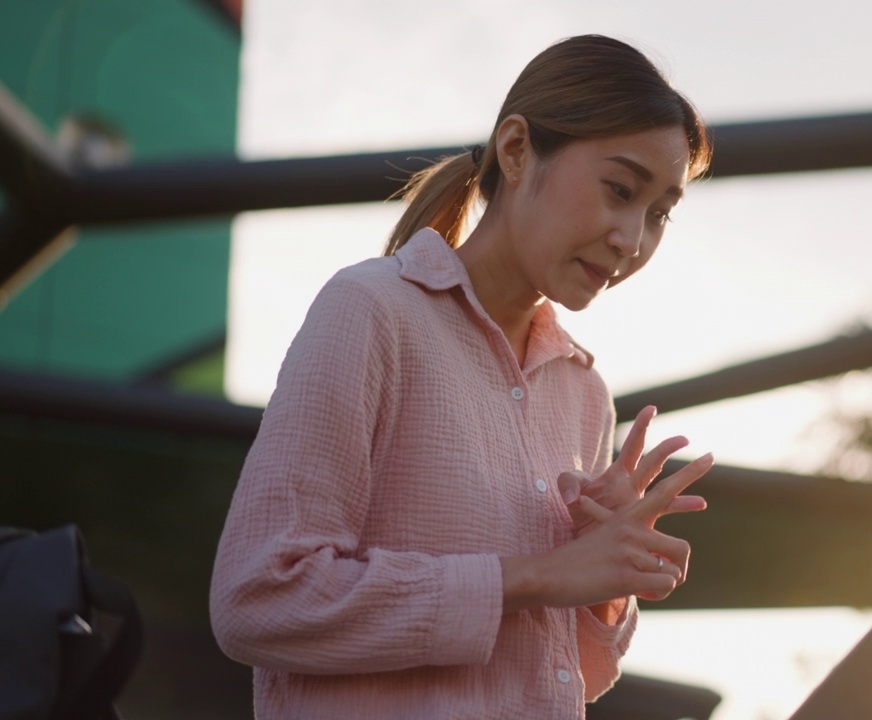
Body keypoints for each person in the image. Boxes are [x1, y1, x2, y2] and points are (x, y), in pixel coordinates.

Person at [209, 34, 714, 719]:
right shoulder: (372, 311)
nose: (633, 238)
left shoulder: (584, 396)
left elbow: (566, 677)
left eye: (659, 214)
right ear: (515, 150)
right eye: (620, 190)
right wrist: (535, 576)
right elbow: (258, 599)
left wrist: (603, 579)